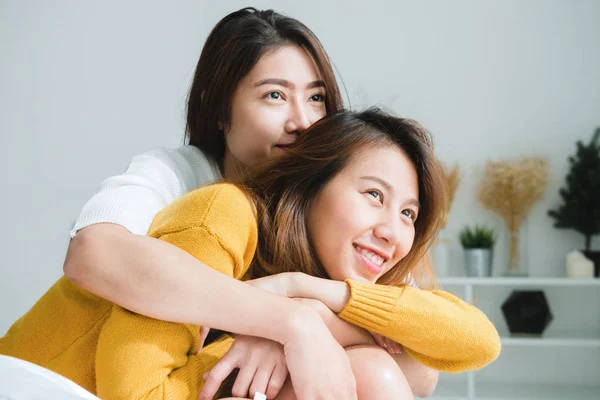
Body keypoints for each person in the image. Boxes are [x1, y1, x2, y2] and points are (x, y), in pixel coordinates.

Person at [1, 108, 502, 400]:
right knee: (371, 368)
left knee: (386, 365)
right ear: (312, 182)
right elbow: (137, 392)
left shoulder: (337, 269)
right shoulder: (223, 211)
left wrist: (302, 301)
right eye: (374, 195)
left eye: (409, 214)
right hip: (37, 387)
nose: (392, 231)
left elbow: (475, 342)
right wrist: (290, 331)